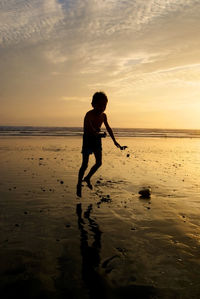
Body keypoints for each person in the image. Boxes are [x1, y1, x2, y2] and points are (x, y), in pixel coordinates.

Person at [76, 91, 127, 197]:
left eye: (104, 105)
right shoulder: (88, 115)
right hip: (88, 139)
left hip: (97, 140)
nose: (102, 108)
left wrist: (115, 142)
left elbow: (108, 128)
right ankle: (78, 183)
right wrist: (99, 134)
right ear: (93, 104)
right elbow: (91, 130)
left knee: (99, 162)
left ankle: (88, 177)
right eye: (99, 105)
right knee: (84, 164)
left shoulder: (103, 116)